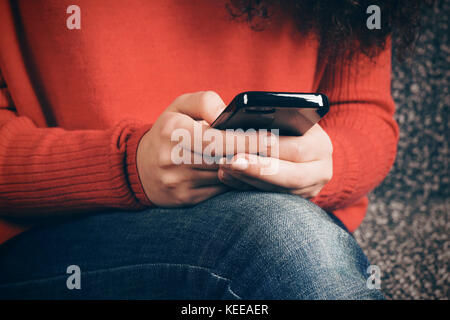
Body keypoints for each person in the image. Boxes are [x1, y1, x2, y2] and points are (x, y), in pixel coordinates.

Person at [0, 0, 425, 299]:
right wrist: (130, 165)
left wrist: (322, 165)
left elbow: (361, 112)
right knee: (279, 239)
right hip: (52, 238)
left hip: (290, 227)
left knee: (280, 238)